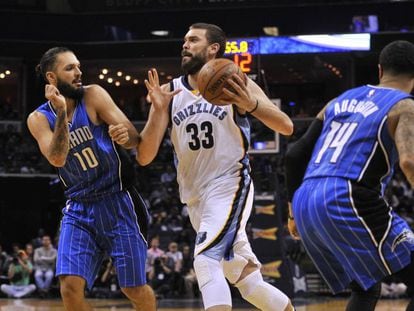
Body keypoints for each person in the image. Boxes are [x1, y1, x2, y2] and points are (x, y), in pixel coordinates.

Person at [138, 23, 294, 311]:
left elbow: (285, 126)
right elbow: (145, 156)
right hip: (194, 197)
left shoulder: (235, 81)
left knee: (206, 261)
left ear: (213, 49)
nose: (185, 45)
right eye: (184, 40)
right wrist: (158, 110)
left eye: (193, 40)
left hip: (230, 183)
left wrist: (251, 103)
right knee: (247, 281)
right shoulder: (169, 92)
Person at [284, 40, 414, 311]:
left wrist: (292, 211)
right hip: (347, 196)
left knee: (366, 288)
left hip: (306, 198)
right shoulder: (404, 106)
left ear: (379, 71)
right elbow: (409, 161)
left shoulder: (337, 101)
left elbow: (295, 154)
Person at [26, 47, 156, 311]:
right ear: (52, 78)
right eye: (70, 68)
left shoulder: (93, 95)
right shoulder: (39, 118)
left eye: (78, 66)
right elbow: (57, 158)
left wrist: (123, 136)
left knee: (132, 287)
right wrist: (62, 112)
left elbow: (133, 137)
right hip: (80, 206)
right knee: (70, 288)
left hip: (119, 201)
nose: (78, 72)